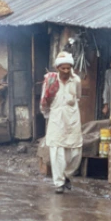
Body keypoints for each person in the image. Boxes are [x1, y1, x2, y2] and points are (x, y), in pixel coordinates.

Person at [42, 51, 83, 193]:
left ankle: (66, 175)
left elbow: (78, 96)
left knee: (75, 153)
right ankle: (59, 184)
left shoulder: (76, 80)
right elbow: (44, 101)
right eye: (63, 68)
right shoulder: (51, 81)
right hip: (56, 119)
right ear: (58, 68)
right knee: (57, 152)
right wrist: (48, 115)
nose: (66, 71)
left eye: (68, 68)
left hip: (72, 119)